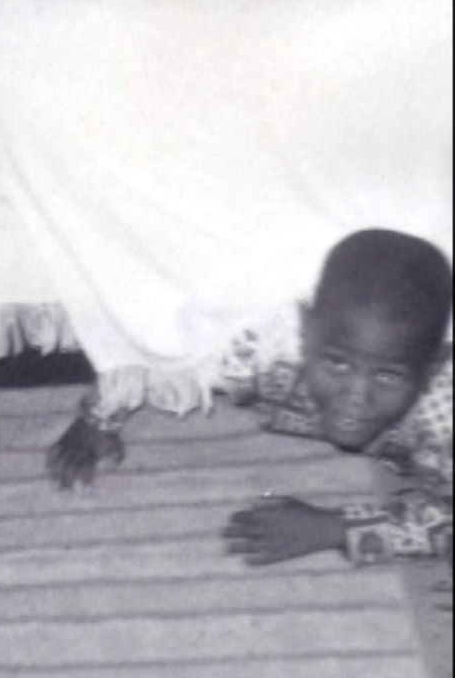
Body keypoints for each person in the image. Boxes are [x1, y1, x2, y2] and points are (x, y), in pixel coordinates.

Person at [49, 228, 452, 567]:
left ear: (429, 370)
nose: (356, 398)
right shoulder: (261, 348)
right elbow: (168, 347)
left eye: (387, 376)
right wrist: (98, 418)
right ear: (306, 331)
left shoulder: (442, 423)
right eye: (338, 365)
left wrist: (336, 529)